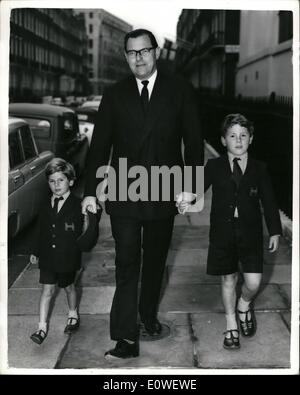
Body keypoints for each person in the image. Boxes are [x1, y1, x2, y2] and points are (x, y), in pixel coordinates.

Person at [82, 28, 203, 360]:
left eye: (145, 51)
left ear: (156, 53)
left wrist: (191, 188)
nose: (139, 58)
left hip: (164, 191)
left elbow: (193, 144)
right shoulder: (115, 94)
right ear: (126, 57)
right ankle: (125, 336)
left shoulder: (180, 91)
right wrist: (90, 192)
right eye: (132, 53)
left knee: (154, 263)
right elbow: (100, 147)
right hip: (124, 192)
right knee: (126, 263)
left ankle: (148, 316)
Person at [179, 113, 282, 350]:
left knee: (253, 282)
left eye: (243, 136)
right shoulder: (214, 165)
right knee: (228, 278)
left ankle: (244, 304)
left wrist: (275, 230)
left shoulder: (259, 168)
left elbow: (268, 200)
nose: (238, 140)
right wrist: (187, 199)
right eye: (232, 136)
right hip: (223, 232)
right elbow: (198, 189)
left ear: (251, 139)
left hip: (251, 232)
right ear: (223, 141)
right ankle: (231, 323)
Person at [30, 158, 83, 345]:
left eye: (61, 180)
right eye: (52, 181)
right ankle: (41, 327)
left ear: (71, 181)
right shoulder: (45, 205)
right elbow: (40, 229)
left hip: (67, 256)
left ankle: (73, 313)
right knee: (47, 290)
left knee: (68, 287)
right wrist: (35, 251)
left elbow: (85, 231)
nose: (56, 185)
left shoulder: (78, 204)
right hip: (48, 256)